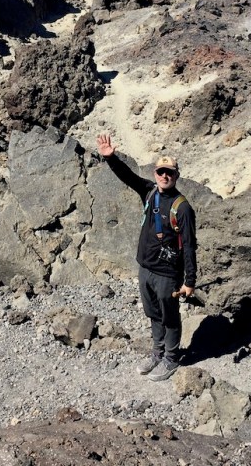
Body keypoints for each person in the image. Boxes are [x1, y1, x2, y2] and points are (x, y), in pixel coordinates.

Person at [96, 133, 196, 381]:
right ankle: (157, 353)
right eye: (161, 171)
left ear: (176, 176)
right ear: (155, 173)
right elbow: (128, 177)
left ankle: (171, 359)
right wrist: (111, 158)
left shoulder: (182, 208)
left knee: (170, 316)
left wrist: (189, 281)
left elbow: (191, 246)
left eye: (169, 173)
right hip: (146, 268)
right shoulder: (150, 192)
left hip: (167, 273)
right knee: (153, 313)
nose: (165, 176)